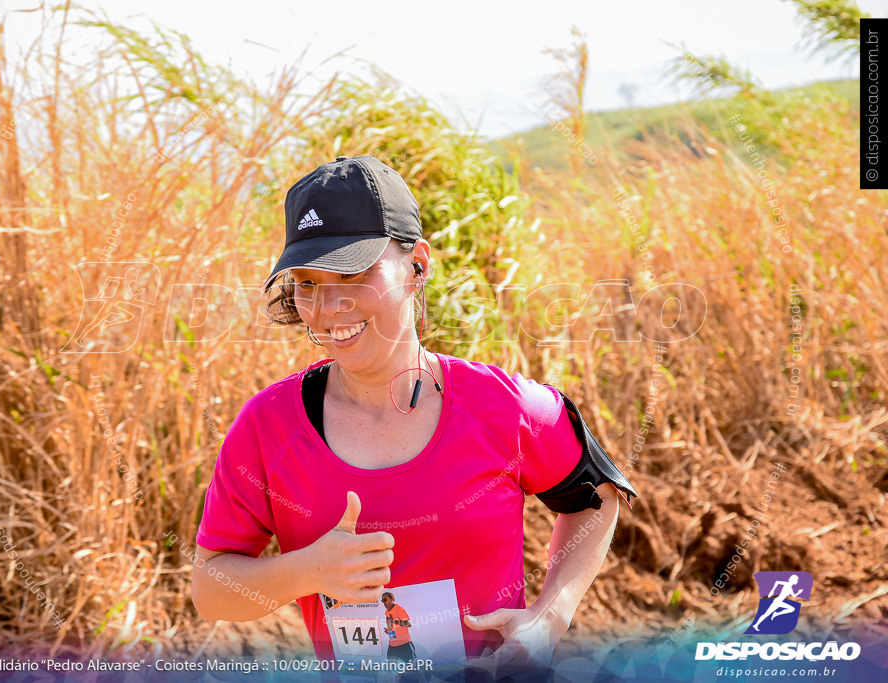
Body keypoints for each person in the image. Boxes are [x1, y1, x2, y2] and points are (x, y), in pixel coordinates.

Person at [191, 155, 637, 677]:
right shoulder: (267, 428)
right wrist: (305, 571)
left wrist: (552, 615)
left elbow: (594, 496)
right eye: (307, 282)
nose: (328, 304)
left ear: (417, 264)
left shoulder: (502, 406)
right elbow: (212, 590)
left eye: (352, 271)